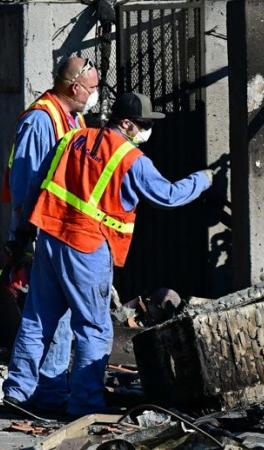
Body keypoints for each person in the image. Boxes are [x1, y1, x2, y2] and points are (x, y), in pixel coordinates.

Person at [3, 92, 212, 416]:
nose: (145, 131)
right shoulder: (132, 160)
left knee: (37, 321)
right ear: (126, 123)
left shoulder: (72, 138)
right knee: (94, 329)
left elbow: (39, 185)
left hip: (50, 238)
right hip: (86, 248)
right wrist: (204, 179)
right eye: (143, 124)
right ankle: (84, 404)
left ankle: (22, 394)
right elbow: (170, 196)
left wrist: (23, 235)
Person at [1, 56, 99, 413]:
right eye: (92, 87)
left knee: (48, 316)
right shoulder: (41, 120)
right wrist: (23, 243)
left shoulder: (73, 118)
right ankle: (42, 393)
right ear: (74, 87)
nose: (94, 94)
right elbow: (26, 183)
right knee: (49, 317)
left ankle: (32, 391)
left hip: (62, 232)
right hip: (42, 232)